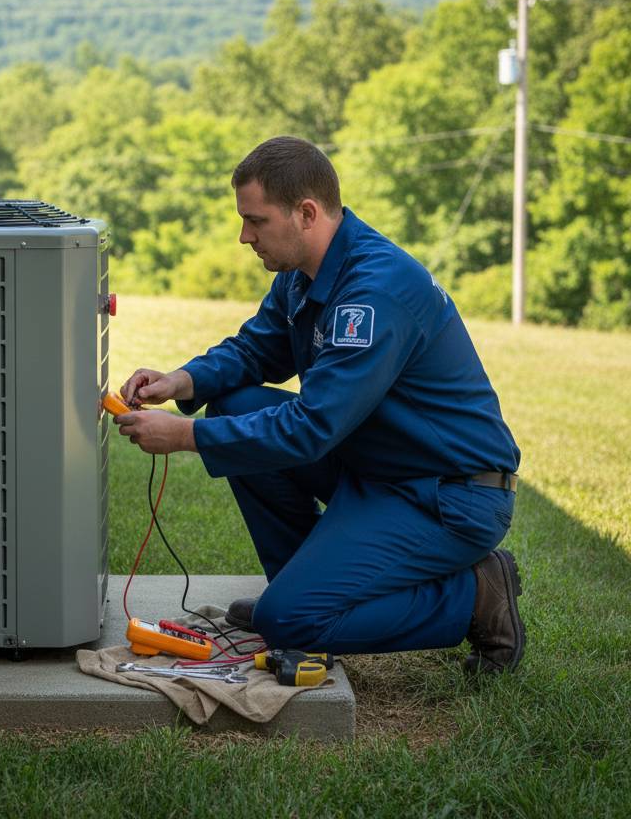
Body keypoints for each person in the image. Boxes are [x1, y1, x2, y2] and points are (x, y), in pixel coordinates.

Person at [115, 136, 525, 675]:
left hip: (448, 495)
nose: (244, 236)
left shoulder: (374, 291)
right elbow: (256, 349)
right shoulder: (302, 273)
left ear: (305, 213)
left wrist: (182, 436)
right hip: (377, 470)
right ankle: (302, 590)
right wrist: (180, 381)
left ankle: (474, 595)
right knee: (232, 405)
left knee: (287, 623)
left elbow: (310, 428)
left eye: (255, 221)